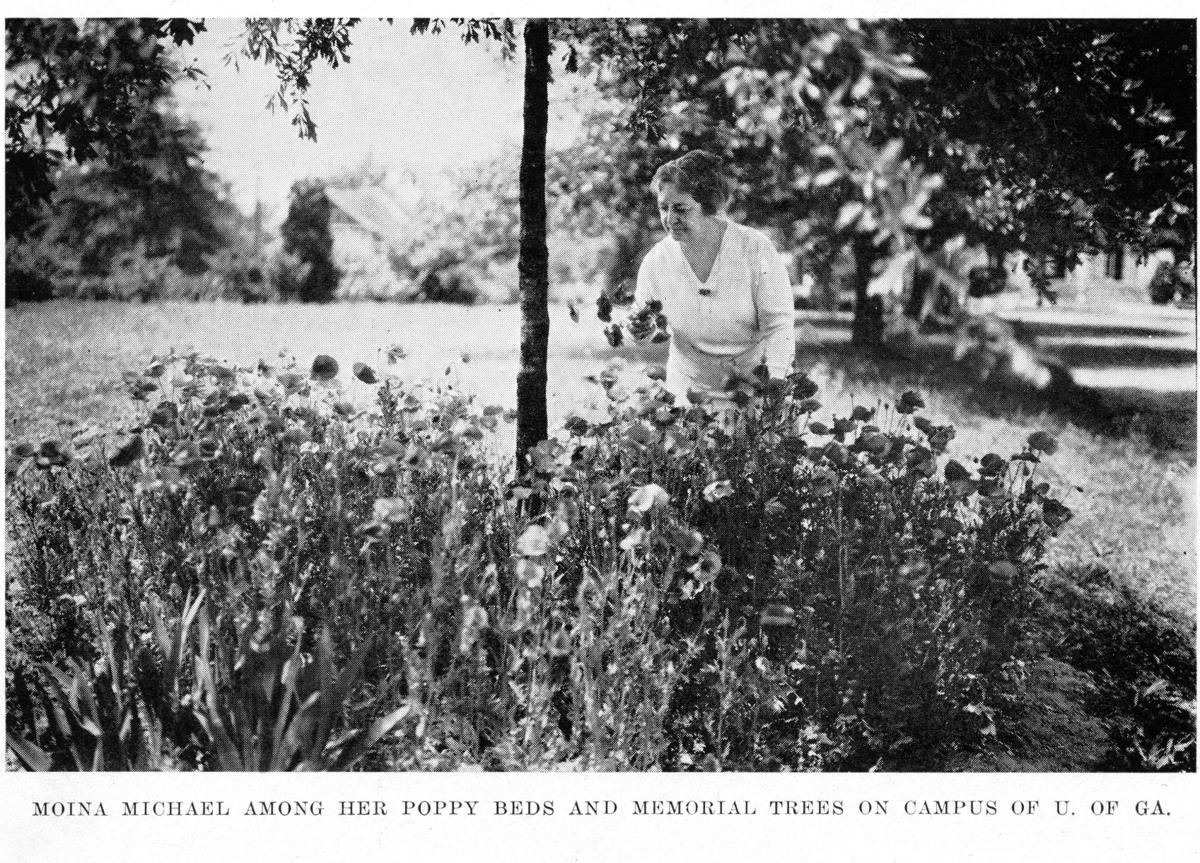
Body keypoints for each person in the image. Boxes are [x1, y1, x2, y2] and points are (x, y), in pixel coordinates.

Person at [632, 150, 795, 409]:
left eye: (681, 209)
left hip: (752, 388)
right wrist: (640, 329)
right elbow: (645, 324)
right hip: (688, 391)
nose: (670, 219)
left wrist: (775, 383)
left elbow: (779, 325)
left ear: (708, 207)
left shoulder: (754, 249)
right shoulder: (657, 261)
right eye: (664, 207)